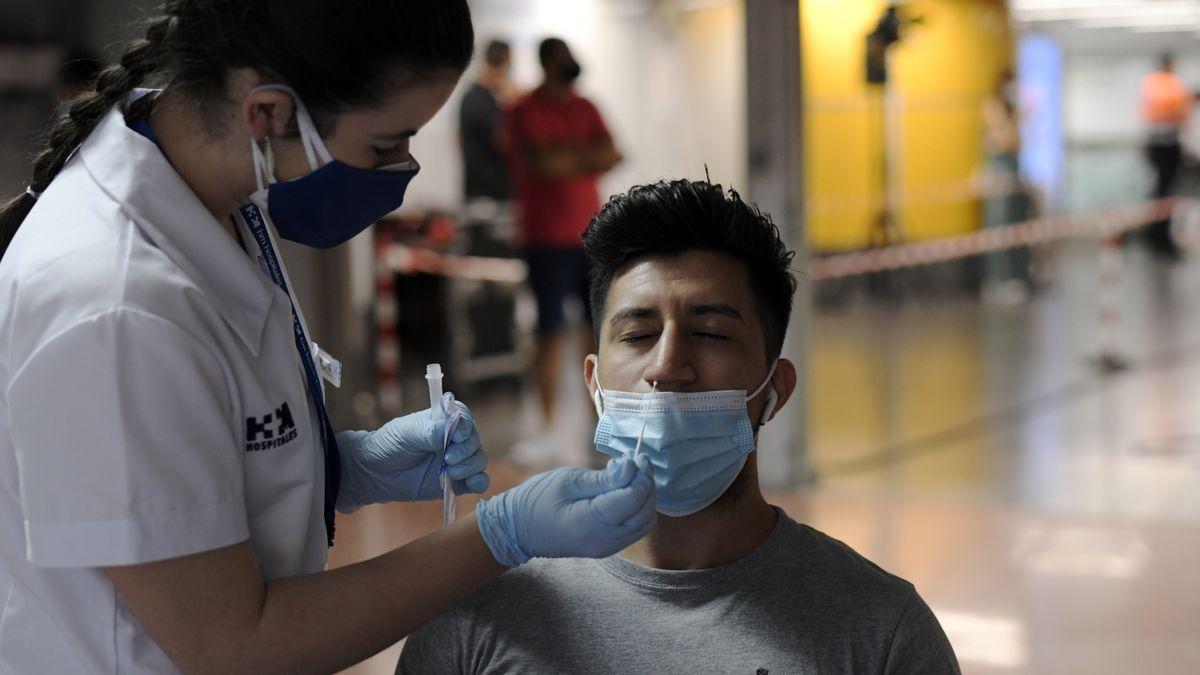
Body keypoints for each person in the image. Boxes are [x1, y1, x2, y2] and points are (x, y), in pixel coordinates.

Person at [0, 2, 655, 672]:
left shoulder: (219, 202)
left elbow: (190, 462)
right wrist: (498, 535)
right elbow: (233, 645)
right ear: (269, 114)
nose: (404, 171)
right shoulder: (115, 305)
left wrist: (341, 467)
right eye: (385, 145)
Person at [399, 179, 961, 674]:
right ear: (594, 383)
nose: (667, 366)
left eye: (712, 333)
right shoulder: (479, 612)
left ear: (776, 390)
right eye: (638, 335)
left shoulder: (882, 634)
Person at [506, 37, 621, 457]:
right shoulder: (522, 110)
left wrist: (567, 158)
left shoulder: (585, 107)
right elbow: (540, 163)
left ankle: (602, 422)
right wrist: (584, 156)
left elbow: (612, 154)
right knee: (550, 332)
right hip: (545, 240)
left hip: (591, 237)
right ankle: (547, 427)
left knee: (599, 332)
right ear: (548, 64)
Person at [981, 67, 1032, 305]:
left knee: (1016, 225)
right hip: (999, 175)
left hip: (1014, 173)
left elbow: (1017, 143)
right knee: (999, 226)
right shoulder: (993, 107)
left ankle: (1017, 276)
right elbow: (1003, 141)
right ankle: (998, 278)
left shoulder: (1015, 111)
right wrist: (1013, 121)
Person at [1140, 53, 1191, 258]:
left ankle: (1159, 235)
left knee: (1166, 191)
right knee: (1163, 192)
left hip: (1168, 143)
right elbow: (1173, 112)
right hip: (1163, 144)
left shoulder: (1168, 85)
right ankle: (1157, 236)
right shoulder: (1160, 85)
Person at [460, 39, 515, 203]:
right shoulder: (478, 100)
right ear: (504, 63)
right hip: (486, 197)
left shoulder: (481, 98)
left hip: (489, 194)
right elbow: (505, 142)